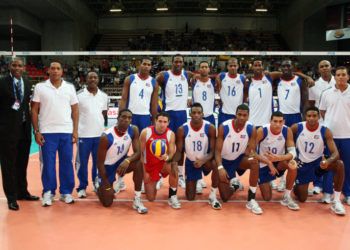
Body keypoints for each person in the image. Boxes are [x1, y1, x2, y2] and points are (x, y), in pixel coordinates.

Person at [32, 61, 79, 206]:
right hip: (47, 132)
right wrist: (37, 131)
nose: (55, 71)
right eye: (52, 68)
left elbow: (75, 110)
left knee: (67, 163)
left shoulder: (69, 88)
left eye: (58, 68)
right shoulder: (40, 87)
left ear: (62, 72)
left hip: (66, 131)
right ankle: (48, 192)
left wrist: (75, 131)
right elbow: (34, 109)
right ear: (48, 71)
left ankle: (66, 192)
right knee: (48, 164)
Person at [0, 58, 39, 211]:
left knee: (22, 163)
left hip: (24, 129)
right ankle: (11, 197)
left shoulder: (27, 82)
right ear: (9, 66)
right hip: (7, 131)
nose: (17, 67)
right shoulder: (2, 82)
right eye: (14, 65)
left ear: (24, 68)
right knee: (8, 165)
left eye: (19, 65)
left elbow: (24, 104)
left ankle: (22, 192)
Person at [291, 106, 346, 215]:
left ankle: (336, 201)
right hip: (302, 165)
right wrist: (293, 157)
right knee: (302, 198)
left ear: (319, 116)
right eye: (309, 116)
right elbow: (287, 144)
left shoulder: (325, 131)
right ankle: (296, 186)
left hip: (318, 164)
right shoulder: (296, 128)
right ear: (305, 116)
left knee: (339, 164)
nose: (312, 118)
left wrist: (328, 161)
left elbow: (335, 153)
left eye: (314, 116)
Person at [118, 58, 159, 192]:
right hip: (130, 116)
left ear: (151, 67)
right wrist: (121, 116)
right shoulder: (130, 79)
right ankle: (119, 180)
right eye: (144, 64)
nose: (146, 66)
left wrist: (154, 121)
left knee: (145, 150)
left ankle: (143, 179)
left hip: (145, 117)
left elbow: (154, 104)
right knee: (123, 148)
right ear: (139, 65)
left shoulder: (153, 82)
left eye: (149, 64)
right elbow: (124, 98)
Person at [96, 109, 147, 214]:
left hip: (121, 162)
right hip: (107, 167)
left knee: (138, 164)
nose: (126, 120)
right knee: (107, 203)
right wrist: (106, 185)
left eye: (129, 118)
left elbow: (138, 153)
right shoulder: (106, 137)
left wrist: (128, 160)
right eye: (123, 117)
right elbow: (99, 164)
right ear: (117, 118)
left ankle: (137, 199)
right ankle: (101, 185)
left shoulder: (134, 130)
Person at [215, 104, 263, 215]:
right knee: (225, 197)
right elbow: (217, 151)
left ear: (248, 116)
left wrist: (252, 157)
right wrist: (220, 167)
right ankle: (235, 185)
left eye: (244, 115)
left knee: (255, 163)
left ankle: (251, 199)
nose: (241, 117)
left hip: (239, 159)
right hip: (224, 160)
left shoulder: (251, 128)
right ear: (235, 114)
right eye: (239, 114)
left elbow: (251, 151)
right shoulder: (224, 127)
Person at [172, 103, 221, 209]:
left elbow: (213, 151)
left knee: (216, 163)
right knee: (190, 197)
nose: (196, 115)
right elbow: (179, 152)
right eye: (194, 112)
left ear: (202, 114)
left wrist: (203, 160)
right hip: (191, 162)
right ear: (190, 114)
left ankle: (212, 195)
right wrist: (172, 162)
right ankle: (197, 179)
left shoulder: (210, 128)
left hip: (206, 160)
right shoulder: (182, 129)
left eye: (199, 113)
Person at [156, 54, 194, 189]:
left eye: (180, 62)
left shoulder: (187, 74)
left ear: (183, 63)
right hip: (168, 114)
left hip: (182, 114)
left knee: (181, 146)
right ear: (171, 63)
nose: (178, 64)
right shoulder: (163, 75)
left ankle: (180, 175)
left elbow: (202, 80)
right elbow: (153, 87)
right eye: (176, 61)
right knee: (162, 145)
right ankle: (159, 174)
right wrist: (156, 107)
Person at [319, 66, 350, 206]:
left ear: (348, 77)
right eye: (338, 75)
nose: (341, 77)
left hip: (348, 136)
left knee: (347, 166)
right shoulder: (326, 93)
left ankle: (347, 193)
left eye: (344, 74)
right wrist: (331, 125)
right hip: (331, 137)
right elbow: (323, 112)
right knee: (328, 165)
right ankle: (327, 193)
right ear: (335, 76)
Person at [256, 111, 299, 210]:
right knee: (267, 198)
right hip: (264, 163)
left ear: (284, 121)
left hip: (278, 162)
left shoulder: (287, 130)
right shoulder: (262, 130)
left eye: (280, 121)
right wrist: (268, 162)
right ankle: (267, 180)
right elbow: (251, 151)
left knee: (293, 164)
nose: (278, 124)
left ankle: (287, 196)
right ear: (270, 121)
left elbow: (293, 153)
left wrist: (278, 158)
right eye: (275, 121)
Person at [75, 71, 108, 198]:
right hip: (83, 135)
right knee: (82, 162)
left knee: (98, 162)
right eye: (90, 77)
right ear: (86, 79)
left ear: (98, 79)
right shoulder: (78, 95)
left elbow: (104, 113)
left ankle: (96, 183)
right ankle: (82, 187)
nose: (93, 79)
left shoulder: (104, 96)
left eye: (95, 77)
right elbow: (74, 114)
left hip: (99, 135)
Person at [139, 112, 180, 209]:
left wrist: (166, 157)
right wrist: (144, 172)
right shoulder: (146, 132)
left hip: (163, 165)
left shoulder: (171, 134)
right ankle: (156, 178)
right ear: (155, 121)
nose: (162, 124)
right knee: (151, 198)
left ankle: (172, 195)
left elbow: (171, 154)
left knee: (174, 166)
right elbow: (139, 154)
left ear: (168, 123)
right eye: (160, 121)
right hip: (149, 166)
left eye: (165, 122)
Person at [308, 60, 335, 198]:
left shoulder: (339, 82)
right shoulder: (314, 85)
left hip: (337, 125)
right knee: (319, 155)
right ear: (319, 70)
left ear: (331, 67)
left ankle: (330, 186)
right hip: (320, 125)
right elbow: (311, 105)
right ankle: (317, 184)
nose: (324, 68)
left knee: (333, 156)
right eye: (321, 67)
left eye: (326, 66)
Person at [277, 60, 308, 127]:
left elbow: (305, 101)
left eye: (288, 66)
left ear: (293, 67)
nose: (286, 68)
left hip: (296, 115)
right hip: (281, 115)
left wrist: (305, 117)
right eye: (283, 66)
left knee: (296, 137)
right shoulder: (277, 80)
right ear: (281, 68)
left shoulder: (300, 80)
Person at [215, 57, 246, 125]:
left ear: (238, 66)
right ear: (227, 66)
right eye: (231, 66)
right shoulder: (222, 76)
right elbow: (217, 86)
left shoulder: (242, 78)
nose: (233, 68)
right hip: (224, 113)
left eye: (234, 66)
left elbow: (245, 92)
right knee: (222, 134)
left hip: (238, 114)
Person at [191, 61, 215, 125]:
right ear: (199, 69)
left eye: (206, 67)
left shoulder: (213, 81)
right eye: (202, 67)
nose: (204, 68)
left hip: (209, 116)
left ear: (209, 69)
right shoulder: (194, 81)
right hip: (196, 116)